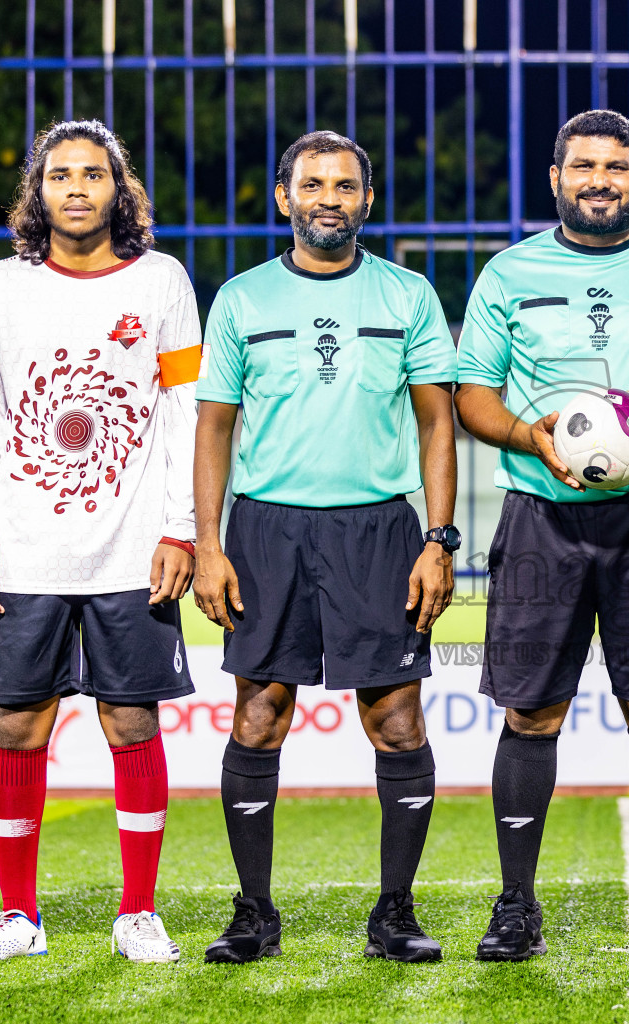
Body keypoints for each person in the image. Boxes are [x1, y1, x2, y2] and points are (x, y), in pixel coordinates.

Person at [454, 110, 629, 962]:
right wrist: (529, 436)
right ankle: (515, 906)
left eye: (617, 167)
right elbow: (474, 392)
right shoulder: (510, 273)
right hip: (540, 517)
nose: (600, 180)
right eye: (584, 166)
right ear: (556, 177)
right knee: (531, 711)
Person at [192, 131, 459, 964]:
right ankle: (253, 914)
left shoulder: (409, 294)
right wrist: (209, 542)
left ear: (366, 201)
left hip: (379, 529)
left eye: (345, 186)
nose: (329, 199)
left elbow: (436, 422)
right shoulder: (240, 299)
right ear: (285, 197)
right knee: (259, 715)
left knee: (397, 721)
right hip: (267, 530)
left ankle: (395, 913)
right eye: (313, 185)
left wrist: (439, 538)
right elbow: (213, 428)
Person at [0, 120, 200, 965]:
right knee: (20, 726)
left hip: (133, 548)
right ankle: (18, 917)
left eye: (96, 174)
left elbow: (183, 412)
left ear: (120, 192)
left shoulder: (162, 281)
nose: (78, 188)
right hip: (24, 545)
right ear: (38, 192)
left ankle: (138, 912)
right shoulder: (0, 288)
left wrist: (180, 528)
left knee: (131, 721)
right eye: (61, 175)